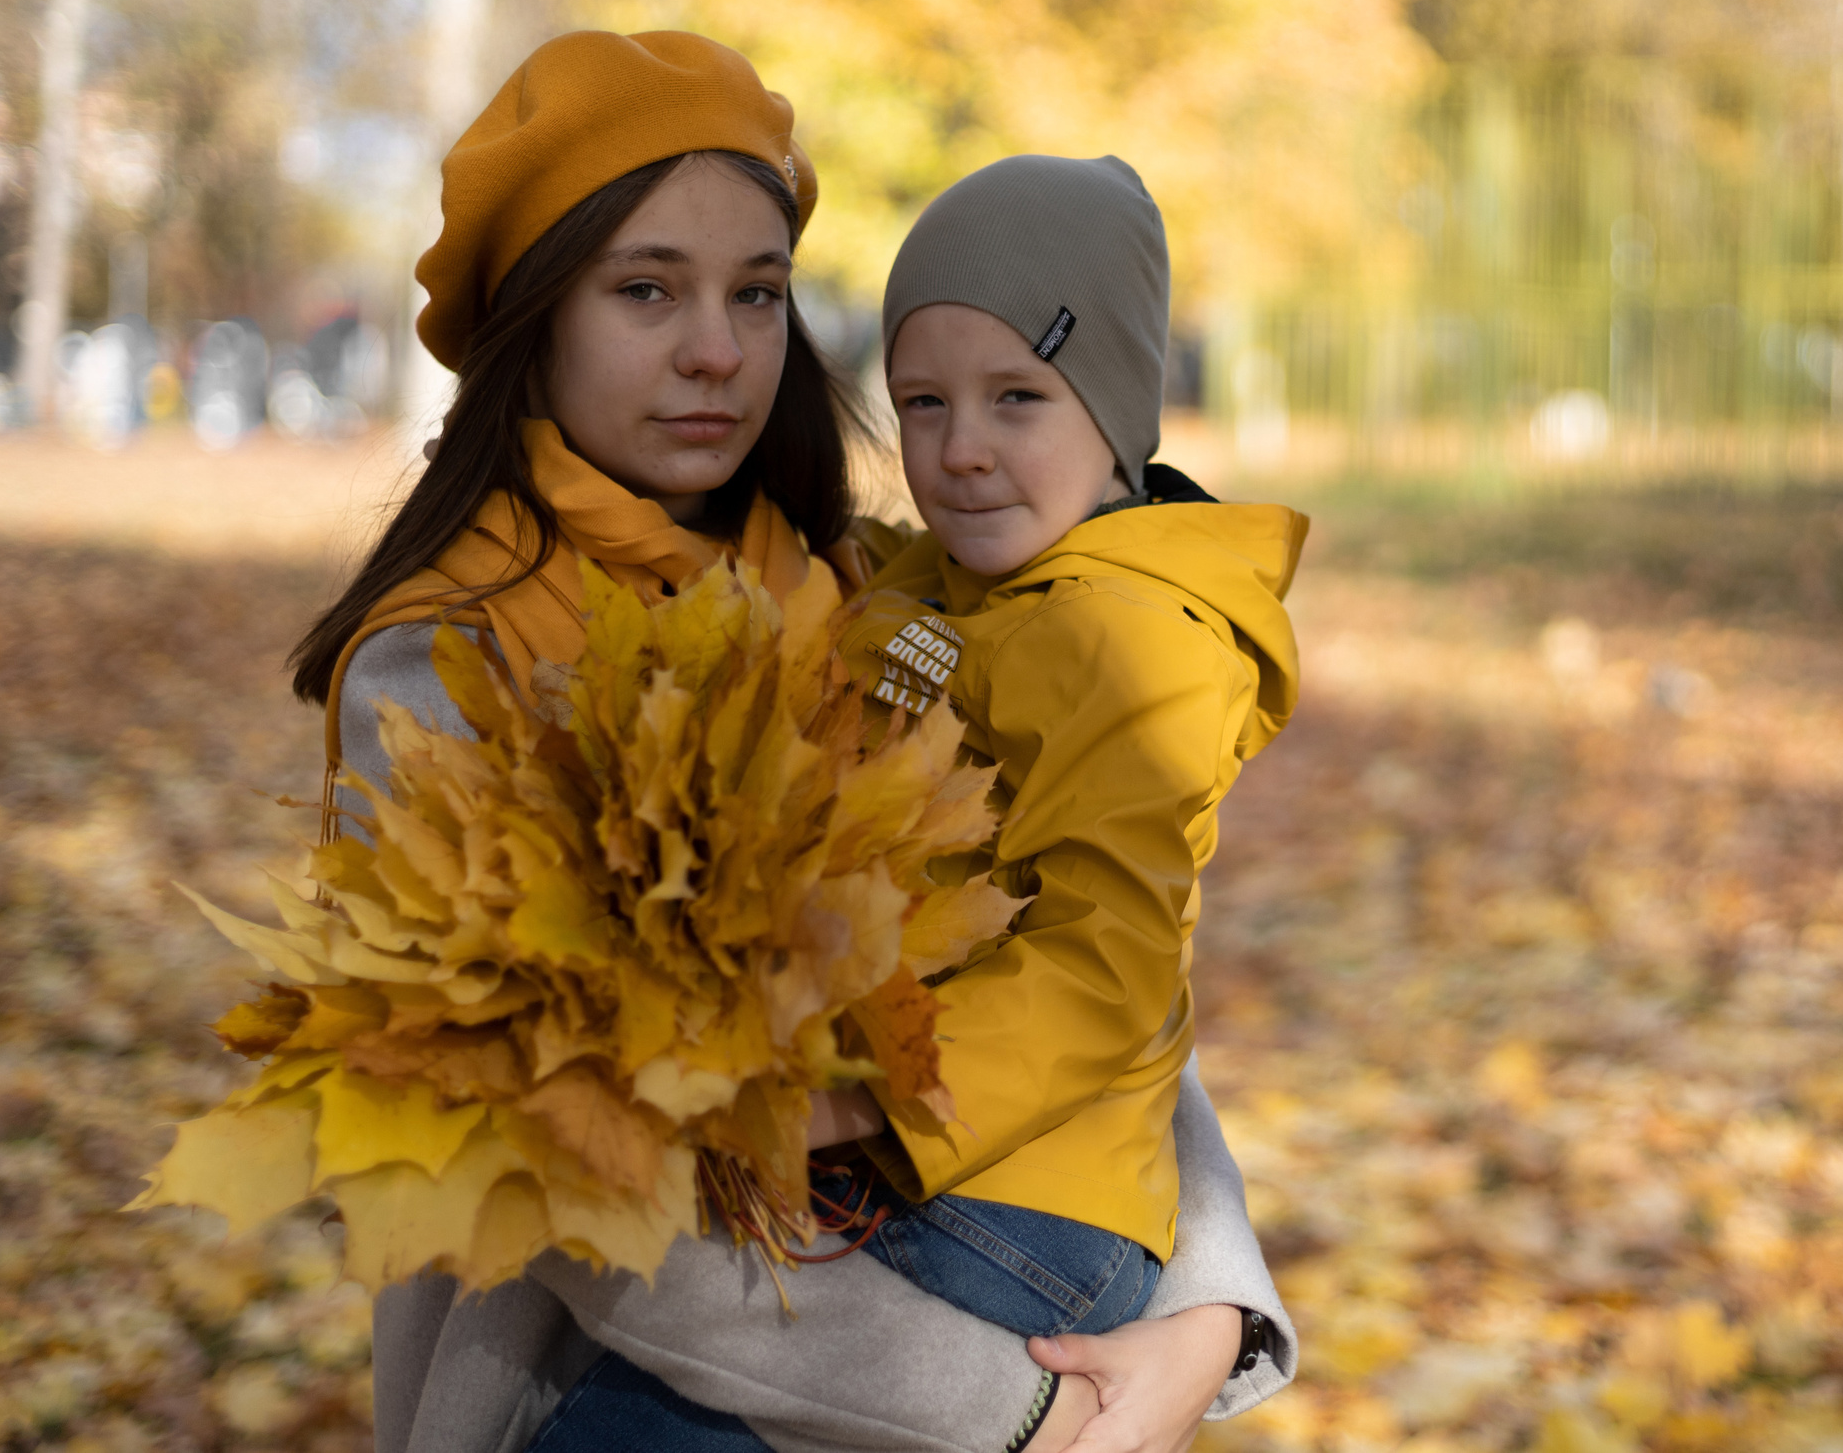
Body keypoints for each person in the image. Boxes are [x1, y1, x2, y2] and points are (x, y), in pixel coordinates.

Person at [285, 30, 1295, 1453]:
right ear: (536, 316)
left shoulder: (860, 595)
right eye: (647, 290)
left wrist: (1206, 1309)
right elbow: (553, 1172)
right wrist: (1016, 1409)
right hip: (624, 1387)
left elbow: (1088, 950)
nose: (717, 350)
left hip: (973, 1296)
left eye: (757, 294)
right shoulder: (450, 667)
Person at [531, 154, 1304, 1449]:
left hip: (1004, 1206)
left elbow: (1106, 971)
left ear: (1119, 410)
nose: (959, 451)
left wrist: (861, 1105)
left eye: (1018, 398)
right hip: (957, 1173)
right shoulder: (943, 589)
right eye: (922, 403)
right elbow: (855, 601)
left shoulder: (1131, 646)